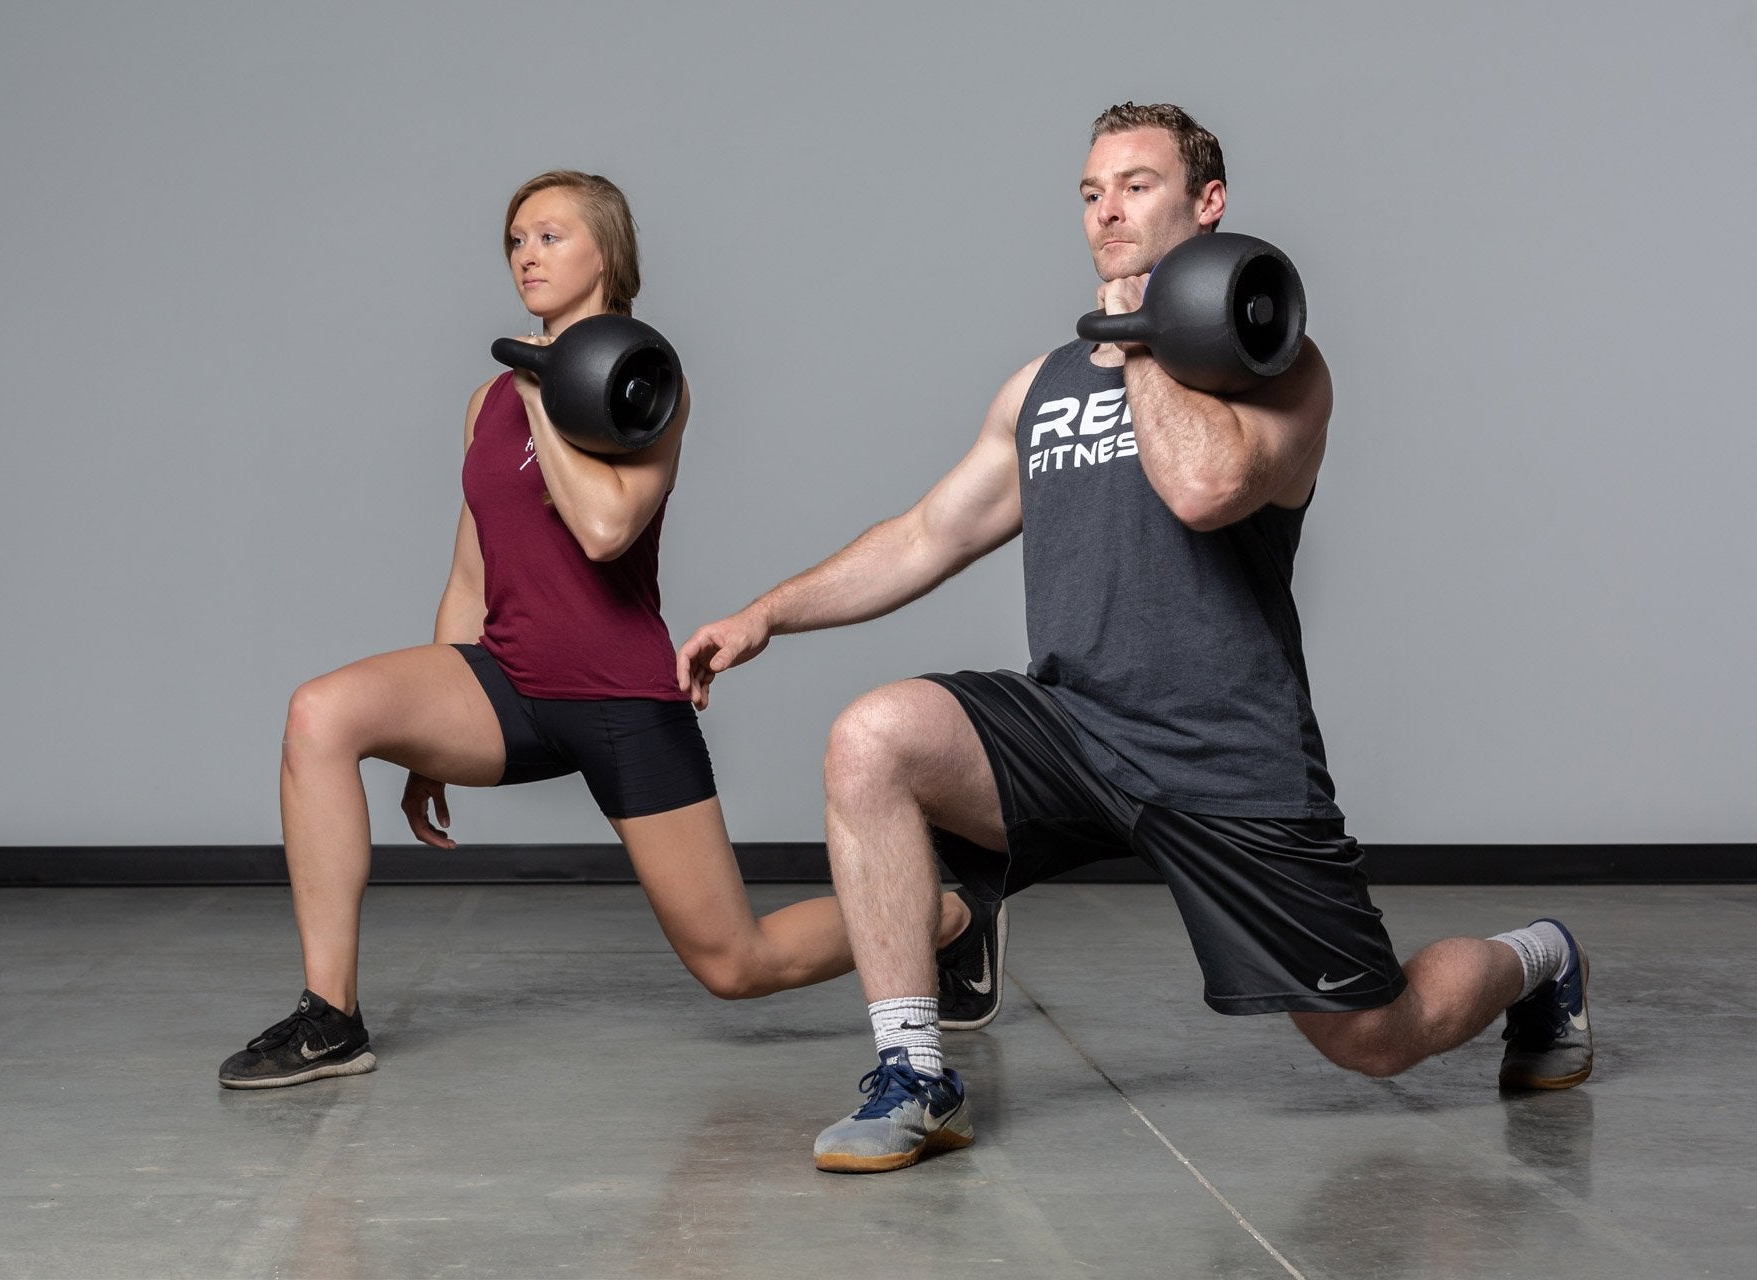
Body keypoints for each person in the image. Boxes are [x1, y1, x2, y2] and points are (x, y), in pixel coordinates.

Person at [676, 104, 1593, 1173]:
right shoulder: (1040, 387)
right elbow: (930, 533)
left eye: (1137, 185)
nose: (1106, 211)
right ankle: (915, 1073)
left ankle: (1544, 959)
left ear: (1208, 205)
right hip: (1073, 725)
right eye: (1090, 192)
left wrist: (1138, 342)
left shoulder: (1281, 366)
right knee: (872, 736)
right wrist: (770, 611)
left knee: (1378, 1038)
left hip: (1224, 755)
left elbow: (1205, 488)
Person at [218, 170, 983, 1089]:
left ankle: (953, 918)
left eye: (551, 236)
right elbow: (471, 574)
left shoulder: (645, 380)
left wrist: (544, 389)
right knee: (320, 712)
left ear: (606, 255)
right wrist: (422, 745)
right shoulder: (486, 402)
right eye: (516, 239)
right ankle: (332, 1018)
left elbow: (606, 528)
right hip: (507, 682)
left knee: (737, 965)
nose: (527, 256)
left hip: (621, 698)